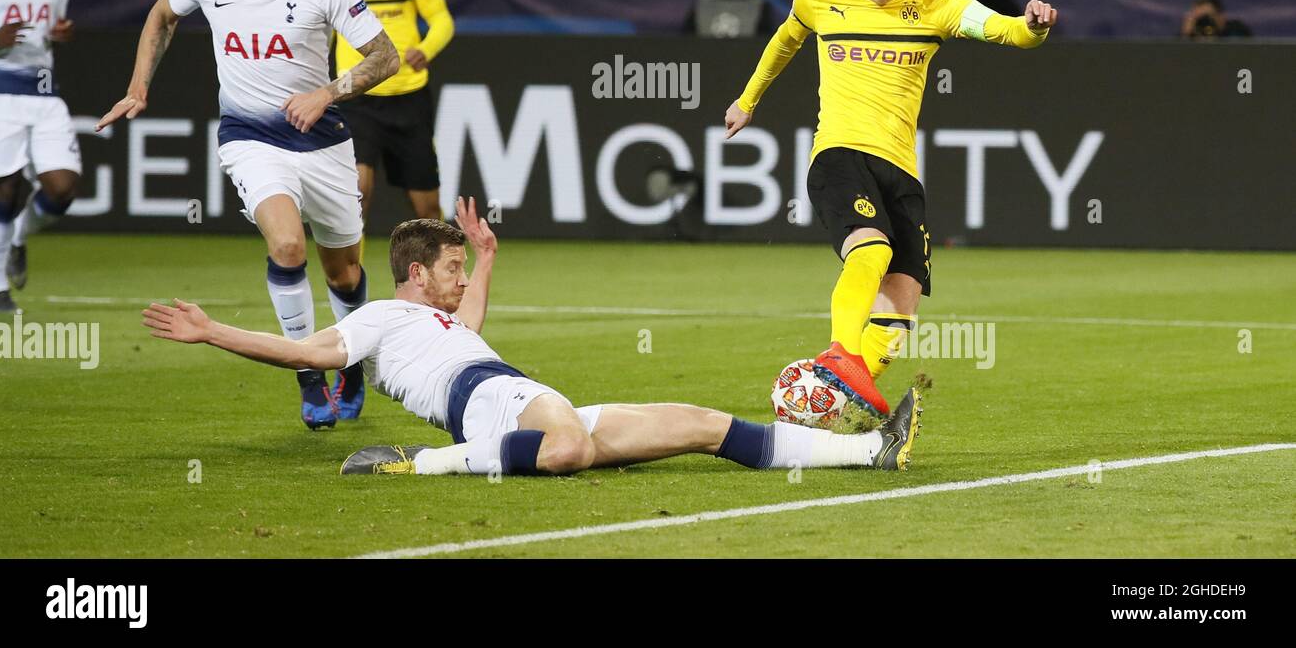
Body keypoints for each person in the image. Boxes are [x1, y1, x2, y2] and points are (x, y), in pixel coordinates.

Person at [142, 200, 924, 476]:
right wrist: (214, 331)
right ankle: (421, 466)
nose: (454, 282)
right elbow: (308, 354)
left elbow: (469, 322)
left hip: (516, 393)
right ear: (413, 275)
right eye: (447, 268)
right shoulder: (379, 318)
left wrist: (484, 258)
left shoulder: (436, 321)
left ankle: (867, 452)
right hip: (485, 408)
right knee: (568, 451)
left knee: (702, 425)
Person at [724, 0, 1057, 416]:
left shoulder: (935, 6)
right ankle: (840, 356)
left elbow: (1004, 30)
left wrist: (1032, 25)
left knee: (902, 304)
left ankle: (828, 404)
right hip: (839, 154)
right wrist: (748, 100)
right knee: (870, 250)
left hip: (900, 169)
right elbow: (784, 42)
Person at [95, 0, 399, 429]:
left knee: (345, 273)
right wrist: (139, 87)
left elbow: (386, 57)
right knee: (286, 246)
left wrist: (327, 92)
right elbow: (162, 16)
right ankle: (308, 376)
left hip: (324, 141)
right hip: (250, 138)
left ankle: (349, 366)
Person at [327, 0, 454, 234]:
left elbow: (442, 19)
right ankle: (349, 288)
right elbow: (316, 35)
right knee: (356, 193)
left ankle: (436, 285)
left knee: (427, 209)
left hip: (409, 97)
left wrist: (425, 50)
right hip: (356, 98)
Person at [0, 0, 79, 313]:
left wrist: (59, 36)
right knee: (3, 190)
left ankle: (18, 238)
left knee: (62, 188)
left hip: (45, 93)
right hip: (0, 91)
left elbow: (51, 30)